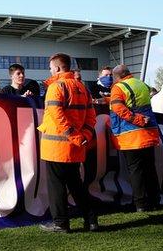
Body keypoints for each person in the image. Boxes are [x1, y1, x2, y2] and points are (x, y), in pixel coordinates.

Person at [38, 53, 98, 233]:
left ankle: (61, 223)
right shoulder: (82, 88)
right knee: (76, 185)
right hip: (75, 147)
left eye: (50, 67)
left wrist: (75, 136)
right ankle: (91, 220)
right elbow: (91, 117)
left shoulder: (56, 87)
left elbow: (57, 116)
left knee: (57, 186)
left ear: (57, 68)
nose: (49, 70)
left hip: (56, 147)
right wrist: (83, 135)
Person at [109, 64, 161, 212]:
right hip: (149, 133)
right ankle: (155, 200)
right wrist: (107, 100)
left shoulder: (118, 87)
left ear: (116, 77)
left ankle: (141, 204)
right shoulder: (141, 84)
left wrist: (136, 119)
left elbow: (119, 108)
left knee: (136, 170)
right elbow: (132, 101)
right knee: (150, 168)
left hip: (131, 136)